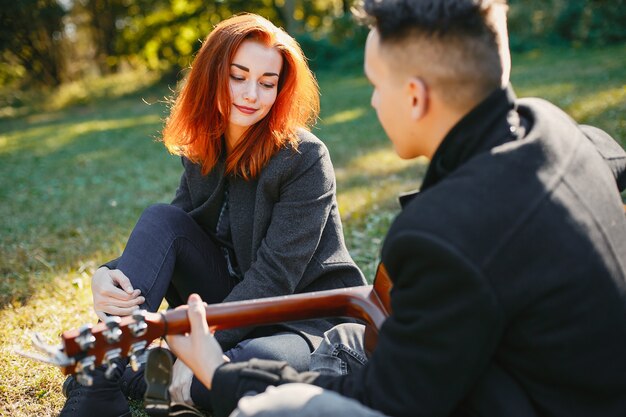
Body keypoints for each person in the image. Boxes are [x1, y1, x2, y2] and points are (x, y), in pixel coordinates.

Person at [164, 1, 626, 416]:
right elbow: (611, 156)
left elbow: (383, 399)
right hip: (552, 377)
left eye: (376, 85)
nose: (372, 100)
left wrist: (219, 373)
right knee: (347, 341)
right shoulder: (556, 129)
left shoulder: (438, 236)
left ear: (414, 96)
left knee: (276, 409)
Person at [58, 13, 366, 417]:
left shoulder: (305, 159)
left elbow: (274, 279)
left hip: (301, 319)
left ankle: (154, 377)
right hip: (230, 300)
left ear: (281, 89)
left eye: (267, 83)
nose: (251, 94)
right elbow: (170, 235)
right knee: (159, 218)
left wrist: (204, 347)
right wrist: (105, 273)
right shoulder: (205, 146)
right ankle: (101, 384)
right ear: (212, 74)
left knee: (240, 372)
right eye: (238, 76)